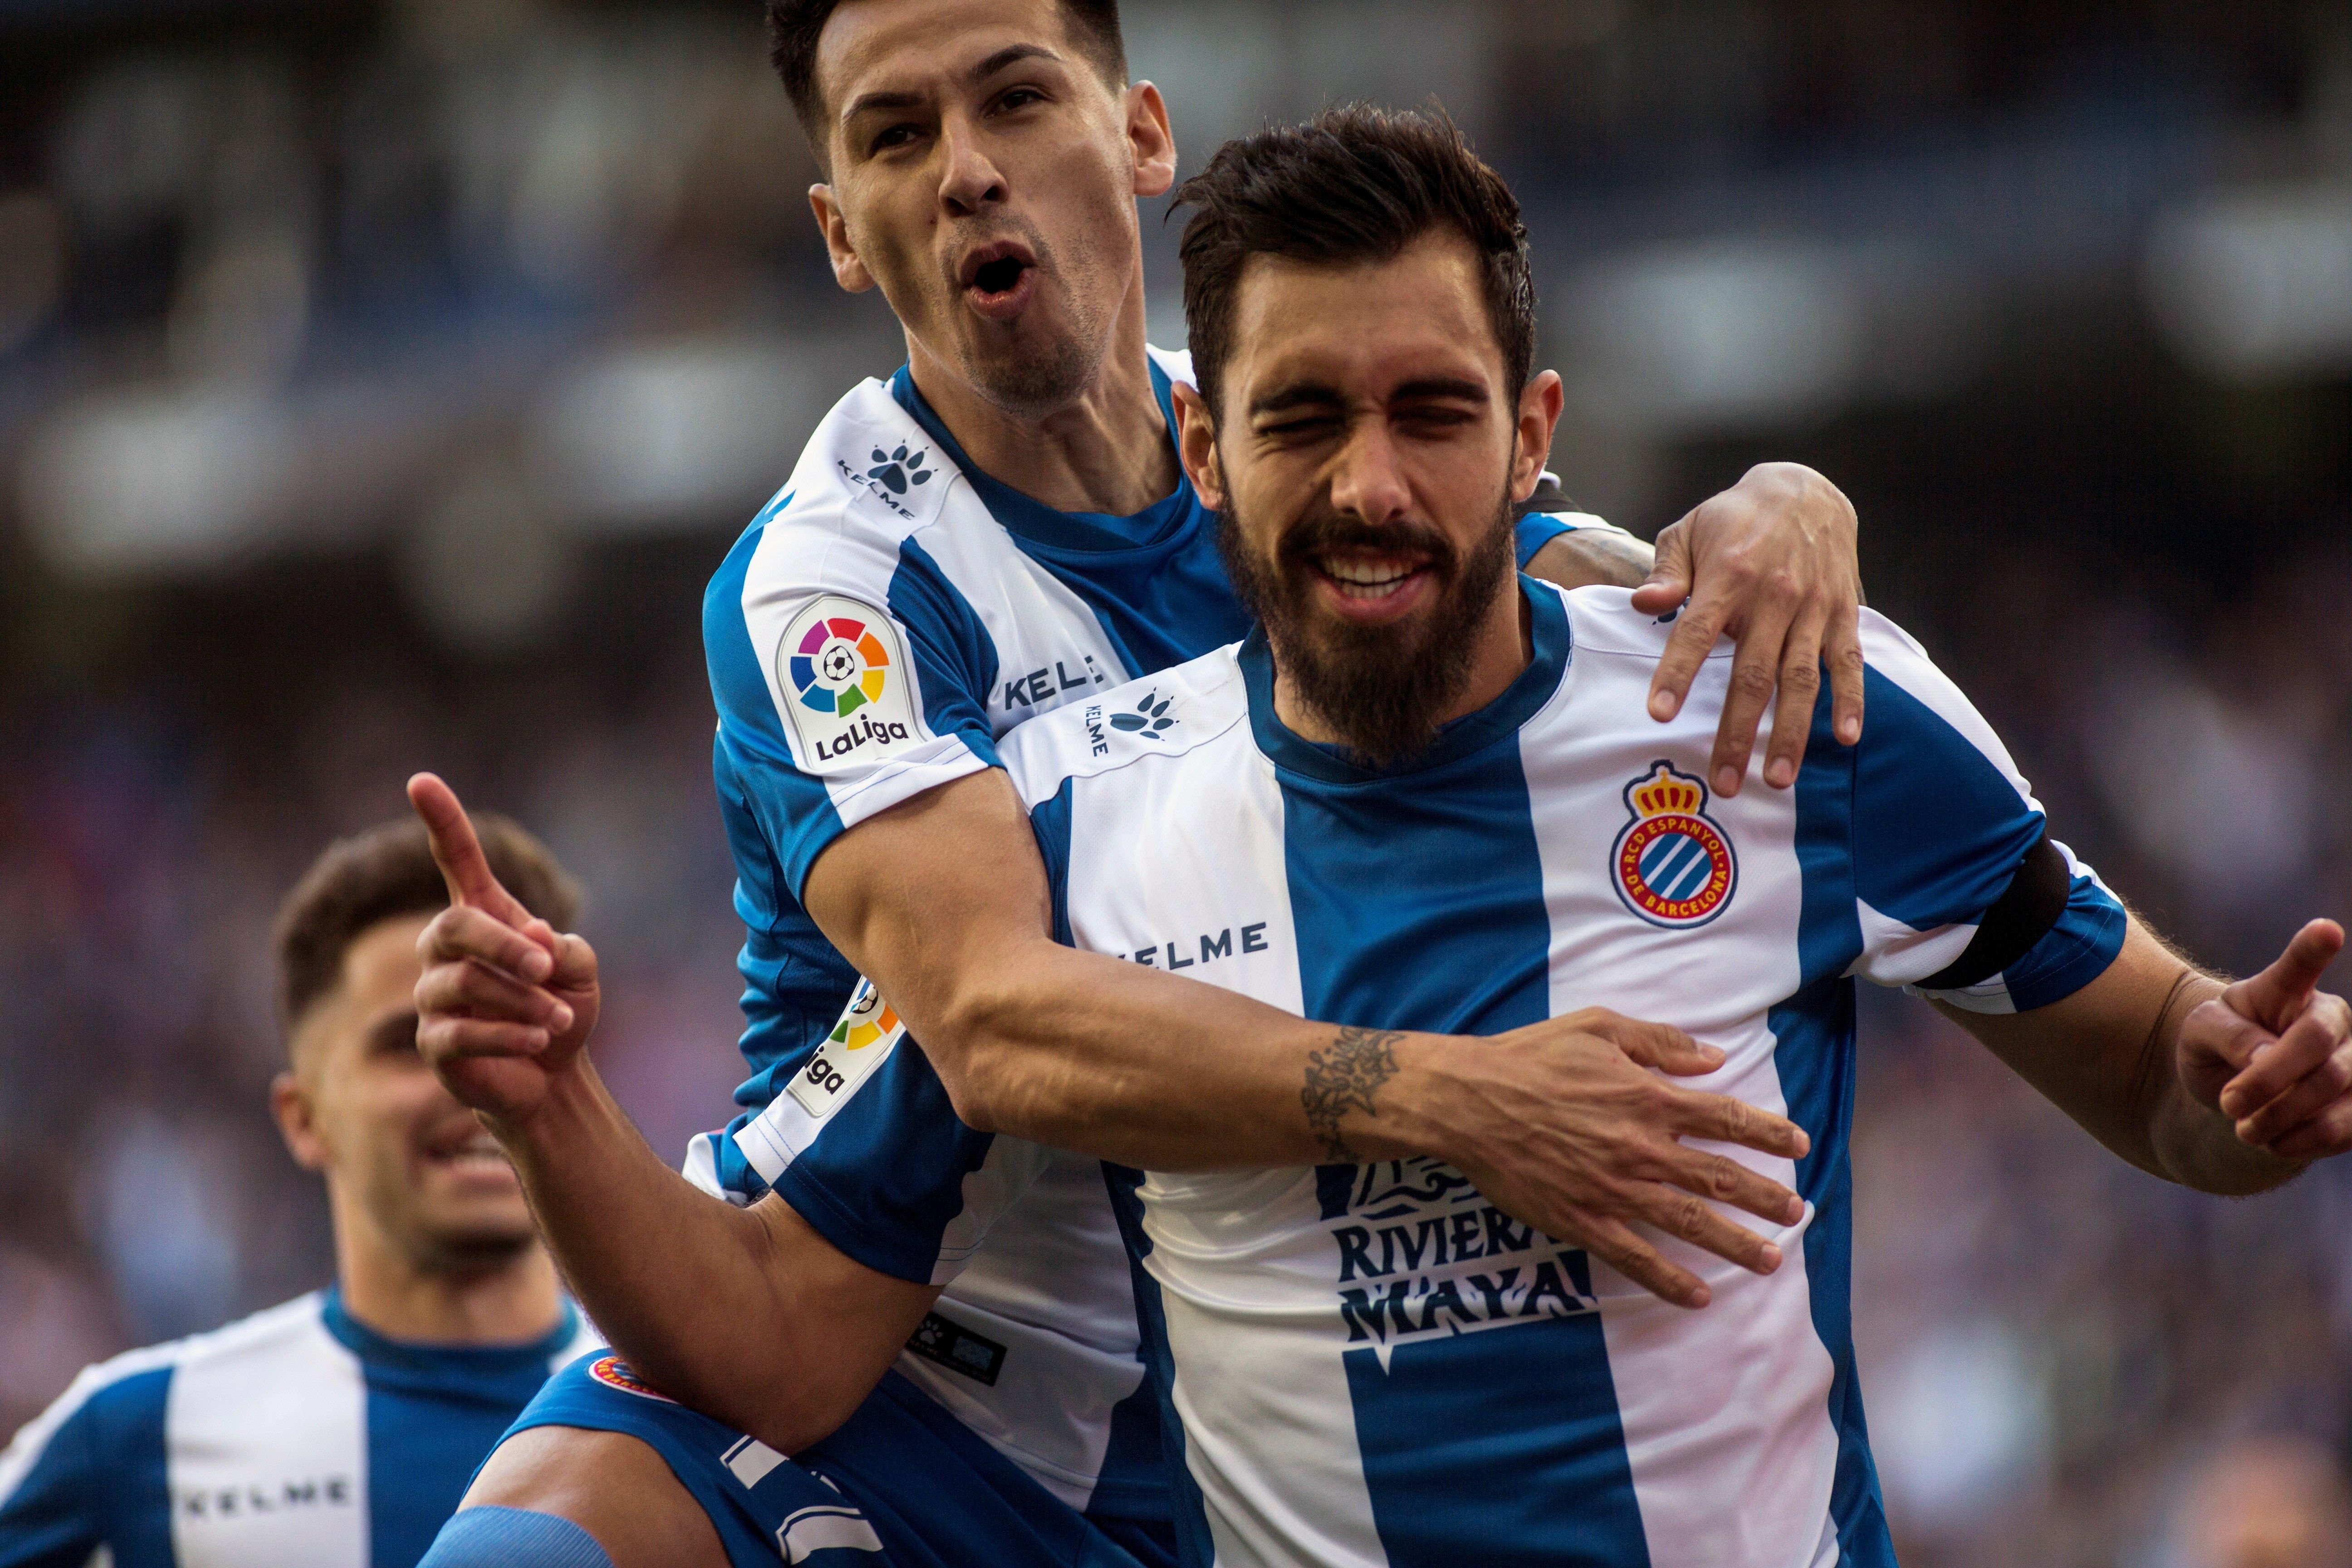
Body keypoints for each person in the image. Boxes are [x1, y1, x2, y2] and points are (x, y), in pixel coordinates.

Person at [410, 0, 1873, 1560]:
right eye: (897, 136)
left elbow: (1563, 588)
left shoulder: (1287, 420)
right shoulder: (832, 580)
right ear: (842, 234)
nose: (967, 170)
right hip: (869, 1367)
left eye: (1017, 98)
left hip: (1205, 1431)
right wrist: (1451, 1101)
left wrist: (1775, 510)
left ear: (1141, 134)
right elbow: (989, 1018)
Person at [957, 105, 2350, 1564]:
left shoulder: (1785, 699)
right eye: (1302, 419)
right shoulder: (1067, 821)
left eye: (1433, 411)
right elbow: (816, 1287)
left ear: (1531, 438)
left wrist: (2238, 1092)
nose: (1371, 484)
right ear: (1203, 447)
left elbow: (2152, 1066)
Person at [0, 818, 602, 1568]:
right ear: (304, 1117)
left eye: (514, 1030)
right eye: (413, 1045)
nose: (478, 1079)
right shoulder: (133, 1437)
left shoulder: (702, 1418)